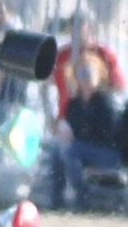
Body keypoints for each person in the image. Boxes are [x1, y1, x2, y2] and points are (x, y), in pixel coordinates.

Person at [49, 51, 123, 211]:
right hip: (83, 151)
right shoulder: (74, 103)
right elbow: (69, 128)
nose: (85, 78)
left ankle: (81, 200)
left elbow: (107, 133)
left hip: (107, 153)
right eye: (81, 73)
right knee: (57, 150)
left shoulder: (104, 101)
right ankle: (57, 200)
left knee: (71, 150)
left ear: (98, 75)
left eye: (89, 73)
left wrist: (79, 134)